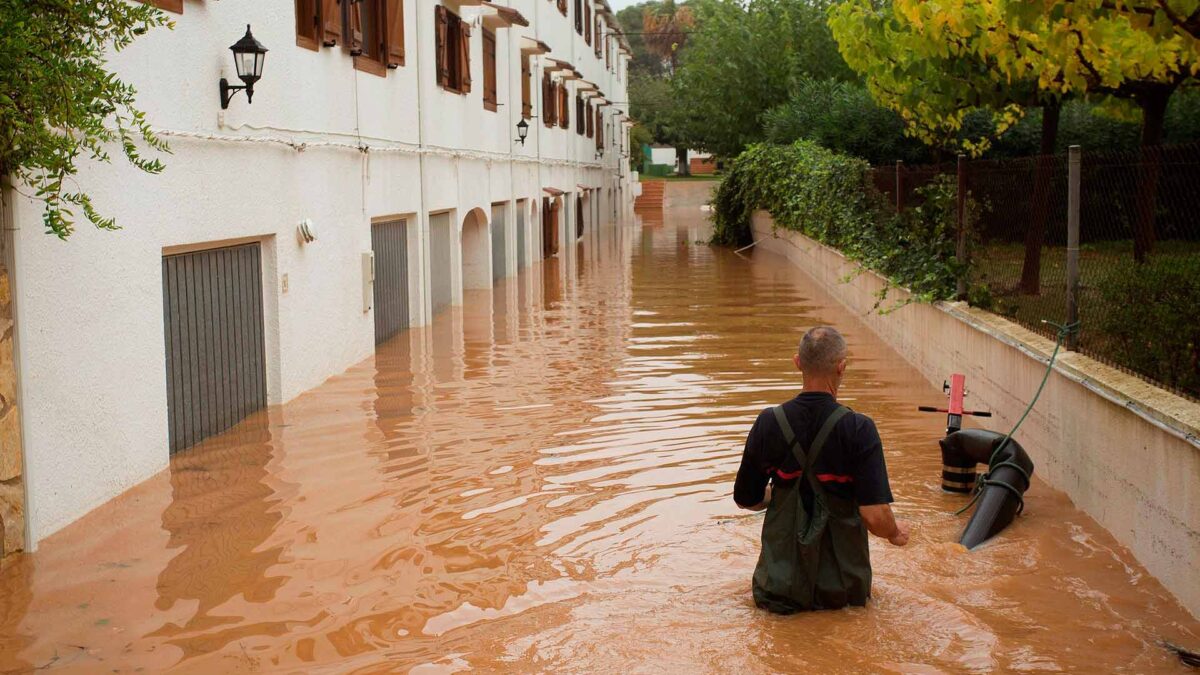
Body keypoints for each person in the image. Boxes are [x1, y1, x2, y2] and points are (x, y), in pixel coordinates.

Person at [733, 325, 909, 613]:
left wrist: (778, 496)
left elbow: (746, 499)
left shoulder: (769, 422)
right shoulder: (858, 428)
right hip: (842, 594)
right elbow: (875, 515)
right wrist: (894, 532)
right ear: (841, 367)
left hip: (778, 591)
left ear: (797, 362)